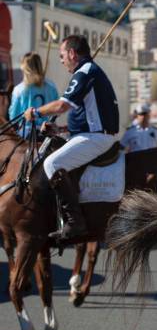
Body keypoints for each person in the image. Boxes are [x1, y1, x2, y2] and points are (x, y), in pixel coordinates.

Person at [23, 34, 119, 242]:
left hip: (97, 138)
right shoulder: (87, 71)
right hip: (92, 134)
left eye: (62, 55)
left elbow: (61, 105)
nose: (61, 60)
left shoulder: (84, 73)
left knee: (52, 163)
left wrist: (35, 112)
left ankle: (75, 223)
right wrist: (59, 129)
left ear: (72, 53)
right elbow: (85, 117)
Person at [9, 52, 59, 137]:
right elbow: (57, 110)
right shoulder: (52, 86)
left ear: (25, 69)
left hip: (25, 133)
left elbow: (14, 117)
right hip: (48, 132)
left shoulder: (19, 90)